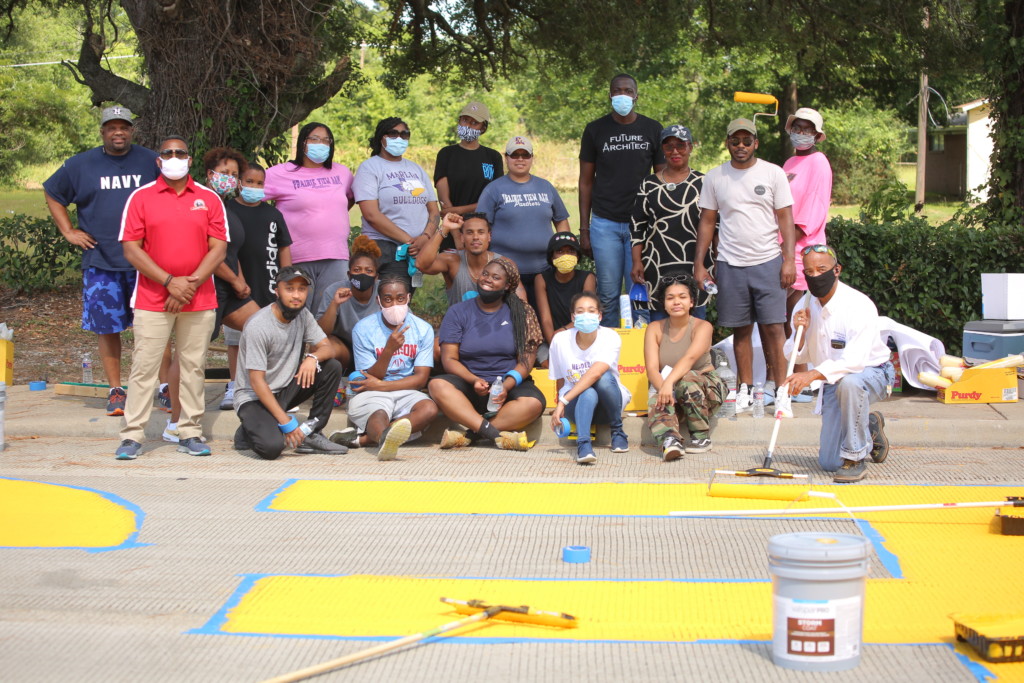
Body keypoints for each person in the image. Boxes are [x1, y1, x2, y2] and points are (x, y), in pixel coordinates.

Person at [114, 135, 227, 461]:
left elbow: (218, 247)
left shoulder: (208, 199)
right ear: (158, 161)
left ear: (189, 160)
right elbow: (131, 248)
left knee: (193, 367)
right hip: (152, 298)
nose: (174, 157)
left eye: (181, 153)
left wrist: (187, 285)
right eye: (168, 153)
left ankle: (189, 431)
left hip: (199, 297)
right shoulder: (141, 198)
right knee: (144, 367)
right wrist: (168, 282)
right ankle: (132, 435)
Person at [43, 105, 159, 416]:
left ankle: (162, 388)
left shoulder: (151, 161)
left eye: (124, 127)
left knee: (155, 328)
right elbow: (52, 191)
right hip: (101, 260)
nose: (118, 132)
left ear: (132, 131)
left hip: (147, 263)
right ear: (103, 132)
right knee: (108, 328)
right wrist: (68, 230)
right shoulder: (81, 165)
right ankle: (116, 390)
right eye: (112, 127)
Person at [693, 118, 796, 414]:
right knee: (740, 330)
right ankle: (746, 391)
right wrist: (700, 264)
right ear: (727, 143)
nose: (741, 146)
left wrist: (789, 259)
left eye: (746, 141)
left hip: (768, 261)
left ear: (756, 144)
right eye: (735, 141)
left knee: (774, 329)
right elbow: (708, 222)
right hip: (730, 263)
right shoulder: (715, 177)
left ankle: (782, 391)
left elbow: (785, 219)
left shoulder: (773, 173)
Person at [782, 245, 893, 483]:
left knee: (851, 383)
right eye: (809, 272)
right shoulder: (803, 305)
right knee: (829, 462)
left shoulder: (858, 305)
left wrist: (811, 375)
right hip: (832, 379)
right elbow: (794, 356)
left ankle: (855, 458)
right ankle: (869, 425)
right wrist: (799, 332)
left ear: (837, 270)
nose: (815, 276)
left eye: (821, 269)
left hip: (870, 373)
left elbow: (855, 361)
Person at [429, 256, 545, 451]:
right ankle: (494, 435)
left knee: (533, 403)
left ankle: (470, 435)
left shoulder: (522, 313)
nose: (487, 279)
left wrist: (505, 387)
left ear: (507, 285)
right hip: (469, 383)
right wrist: (473, 379)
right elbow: (449, 358)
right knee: (437, 385)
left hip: (508, 385)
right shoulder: (458, 312)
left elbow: (526, 362)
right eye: (485, 274)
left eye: (495, 277)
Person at [232, 266, 347, 460]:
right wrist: (286, 423)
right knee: (272, 448)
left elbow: (327, 347)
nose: (296, 295)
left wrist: (312, 358)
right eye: (289, 288)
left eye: (301, 289)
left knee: (331, 367)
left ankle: (313, 431)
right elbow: (256, 382)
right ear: (277, 291)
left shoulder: (303, 315)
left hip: (284, 389)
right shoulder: (258, 325)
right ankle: (248, 431)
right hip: (254, 398)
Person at [578, 73, 664, 327]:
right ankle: (610, 352)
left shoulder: (652, 129)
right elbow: (585, 181)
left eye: (628, 91)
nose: (623, 96)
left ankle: (641, 351)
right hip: (605, 223)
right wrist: (585, 228)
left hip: (642, 225)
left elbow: (661, 180)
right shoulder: (595, 130)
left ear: (636, 96)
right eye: (617, 91)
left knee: (640, 291)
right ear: (610, 95)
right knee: (607, 293)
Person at [328, 274, 437, 460]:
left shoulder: (423, 329)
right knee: (378, 414)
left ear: (408, 298)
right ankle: (383, 439)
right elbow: (371, 377)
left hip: (404, 390)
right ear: (378, 301)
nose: (395, 304)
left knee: (429, 409)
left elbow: (420, 379)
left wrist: (382, 385)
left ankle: (364, 440)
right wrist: (389, 350)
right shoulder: (363, 329)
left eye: (400, 298)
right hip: (370, 393)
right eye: (388, 299)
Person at [263, 122, 354, 311]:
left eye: (326, 140)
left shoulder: (342, 173)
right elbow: (253, 199)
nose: (320, 144)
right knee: (295, 313)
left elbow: (349, 200)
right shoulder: (279, 173)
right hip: (297, 257)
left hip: (335, 257)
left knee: (329, 314)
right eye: (314, 139)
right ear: (303, 142)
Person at [476, 135, 571, 309]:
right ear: (506, 158)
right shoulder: (493, 189)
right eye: (515, 155)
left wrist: (564, 250)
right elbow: (480, 227)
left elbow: (561, 221)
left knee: (543, 318)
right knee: (513, 320)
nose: (520, 159)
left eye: (525, 155)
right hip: (505, 272)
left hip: (544, 269)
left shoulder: (545, 187)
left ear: (532, 158)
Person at [630, 125, 712, 321]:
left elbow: (714, 226)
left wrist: (713, 263)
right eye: (669, 147)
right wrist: (636, 261)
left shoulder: (704, 182)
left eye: (681, 146)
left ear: (690, 147)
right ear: (662, 150)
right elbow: (637, 225)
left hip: (696, 263)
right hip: (656, 264)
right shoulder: (648, 184)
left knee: (696, 320)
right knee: (660, 320)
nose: (675, 151)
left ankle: (697, 354)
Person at [644, 273, 727, 460]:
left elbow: (689, 358)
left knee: (687, 379)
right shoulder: (654, 328)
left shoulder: (703, 326)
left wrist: (668, 384)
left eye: (682, 297)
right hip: (673, 388)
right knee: (656, 400)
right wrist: (664, 390)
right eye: (670, 298)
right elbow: (651, 368)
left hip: (706, 388)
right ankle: (670, 440)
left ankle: (701, 437)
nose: (676, 302)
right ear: (663, 303)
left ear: (691, 302)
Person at [779, 107, 833, 391]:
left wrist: (786, 247)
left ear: (816, 135)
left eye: (807, 129)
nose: (801, 133)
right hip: (783, 246)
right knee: (787, 317)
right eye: (797, 127)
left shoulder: (819, 162)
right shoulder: (788, 163)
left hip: (802, 250)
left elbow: (811, 213)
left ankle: (800, 380)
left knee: (796, 316)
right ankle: (793, 376)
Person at [206, 147, 260, 412]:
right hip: (208, 289)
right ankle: (174, 402)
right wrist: (234, 280)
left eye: (234, 174)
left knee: (264, 327)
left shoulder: (226, 206)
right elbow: (207, 253)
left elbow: (231, 249)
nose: (229, 178)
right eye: (224, 172)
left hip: (232, 290)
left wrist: (240, 279)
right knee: (192, 353)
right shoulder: (202, 202)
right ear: (210, 174)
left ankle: (249, 388)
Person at [548, 291, 631, 464]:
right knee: (588, 393)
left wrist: (563, 400)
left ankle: (617, 431)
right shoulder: (559, 340)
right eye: (580, 311)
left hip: (610, 404)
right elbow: (560, 379)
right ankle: (583, 445)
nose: (586, 315)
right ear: (573, 316)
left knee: (603, 378)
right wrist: (560, 404)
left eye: (592, 310)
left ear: (600, 316)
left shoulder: (610, 336)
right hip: (577, 407)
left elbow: (596, 373)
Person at [354, 117, 440, 279]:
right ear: (381, 137)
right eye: (393, 134)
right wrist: (409, 241)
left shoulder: (416, 169)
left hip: (416, 250)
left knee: (403, 300)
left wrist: (425, 238)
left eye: (404, 134)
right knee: (391, 300)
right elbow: (371, 214)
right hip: (384, 249)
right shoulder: (370, 167)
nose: (399, 138)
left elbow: (434, 210)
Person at [433, 101, 504, 251]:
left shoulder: (493, 157)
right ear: (459, 121)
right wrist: (457, 235)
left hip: (483, 234)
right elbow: (444, 200)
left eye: (474, 123)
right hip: (452, 230)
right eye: (465, 120)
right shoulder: (446, 154)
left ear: (483, 127)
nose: (468, 126)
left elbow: (493, 200)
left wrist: (458, 211)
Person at [415, 212, 527, 306]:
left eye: (481, 232)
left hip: (495, 329)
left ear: (489, 236)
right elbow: (421, 264)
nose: (475, 237)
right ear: (462, 238)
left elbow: (522, 305)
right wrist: (445, 228)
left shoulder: (505, 264)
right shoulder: (451, 260)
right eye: (469, 232)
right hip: (460, 329)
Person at [317, 235, 383, 373]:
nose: (362, 274)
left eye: (369, 271)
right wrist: (334, 304)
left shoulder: (385, 291)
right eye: (357, 270)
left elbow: (407, 324)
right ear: (349, 274)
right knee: (321, 346)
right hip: (346, 350)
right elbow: (321, 333)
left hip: (379, 350)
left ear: (376, 277)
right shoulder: (335, 291)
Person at [535, 232, 596, 357]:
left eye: (571, 251)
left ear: (577, 256)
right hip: (552, 338)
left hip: (581, 334)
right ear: (552, 256)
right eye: (560, 251)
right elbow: (546, 319)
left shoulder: (587, 278)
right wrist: (555, 344)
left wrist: (564, 330)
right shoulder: (541, 279)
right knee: (546, 362)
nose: (565, 255)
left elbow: (586, 315)